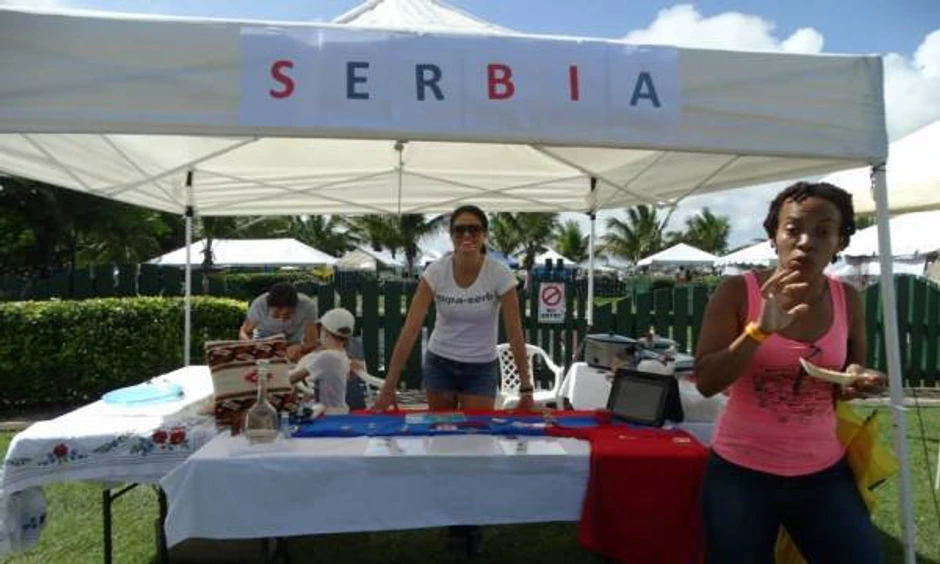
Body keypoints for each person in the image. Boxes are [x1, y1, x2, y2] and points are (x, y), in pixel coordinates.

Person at [694, 181, 886, 563]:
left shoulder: (846, 298)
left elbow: (849, 373)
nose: (805, 242)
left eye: (823, 232)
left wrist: (859, 379)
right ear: (774, 236)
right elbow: (706, 381)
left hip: (823, 473)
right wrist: (758, 331)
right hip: (740, 473)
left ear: (840, 241)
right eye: (793, 229)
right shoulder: (737, 292)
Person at [373, 204, 534, 412]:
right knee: (441, 430)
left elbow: (515, 334)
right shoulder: (436, 272)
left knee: (477, 429)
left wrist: (526, 389)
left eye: (474, 229)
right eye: (459, 230)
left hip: (481, 367)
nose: (466, 235)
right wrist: (389, 385)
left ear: (484, 235)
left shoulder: (500, 274)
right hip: (440, 363)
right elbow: (410, 329)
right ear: (451, 235)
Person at [289, 308, 363, 411]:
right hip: (338, 409)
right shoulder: (342, 354)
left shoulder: (326, 357)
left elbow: (292, 379)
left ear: (326, 333)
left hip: (327, 412)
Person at [239, 282, 318, 362]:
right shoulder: (259, 305)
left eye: (287, 315)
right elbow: (244, 331)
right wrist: (249, 344)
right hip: (262, 343)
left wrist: (301, 347)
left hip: (293, 344)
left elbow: (312, 341)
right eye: (275, 315)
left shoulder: (307, 306)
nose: (281, 319)